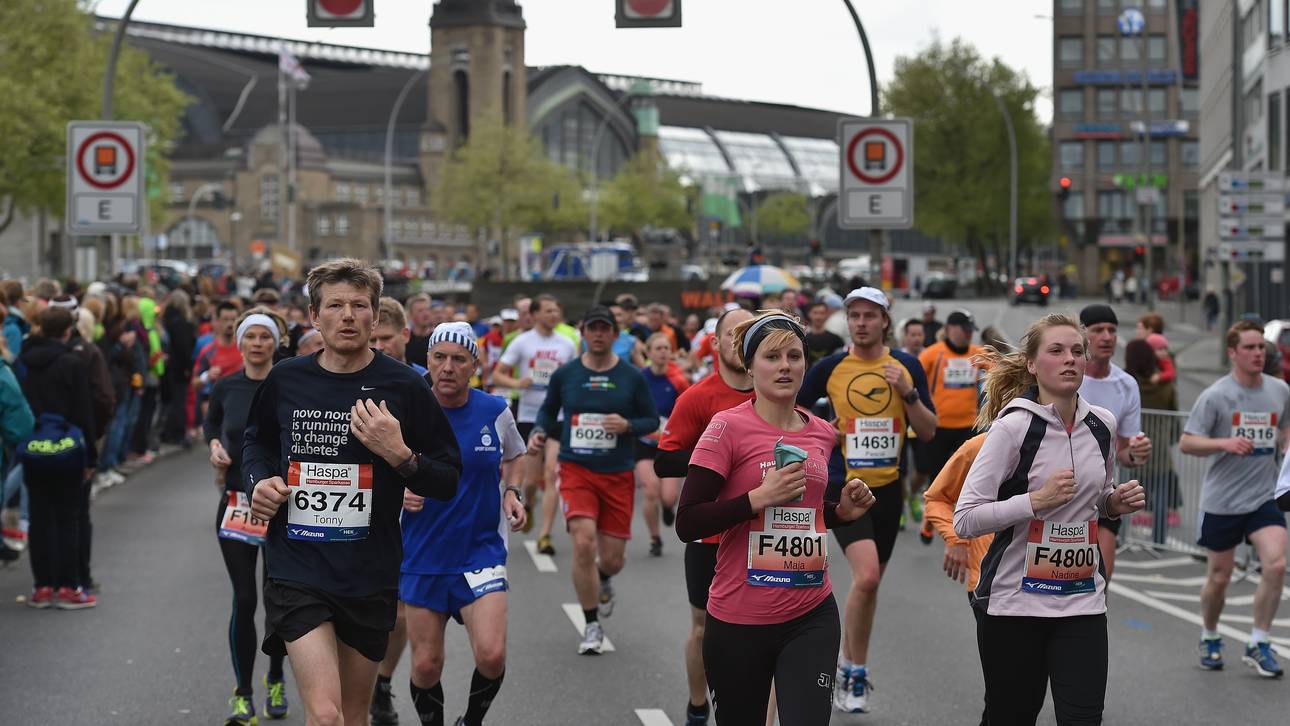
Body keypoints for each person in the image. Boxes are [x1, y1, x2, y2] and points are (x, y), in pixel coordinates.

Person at [242, 258, 462, 726]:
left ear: (375, 315)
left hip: (368, 571)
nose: (347, 315)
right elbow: (256, 441)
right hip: (296, 565)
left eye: (359, 305)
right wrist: (258, 481)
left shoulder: (404, 385)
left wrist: (400, 454)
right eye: (335, 305)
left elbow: (446, 477)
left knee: (354, 714)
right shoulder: (288, 379)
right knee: (325, 714)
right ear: (313, 317)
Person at [676, 311, 875, 725]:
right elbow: (689, 521)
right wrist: (756, 498)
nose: (785, 366)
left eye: (794, 355)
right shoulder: (726, 428)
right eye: (771, 357)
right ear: (749, 366)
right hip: (738, 619)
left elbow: (803, 516)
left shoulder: (821, 431)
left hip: (811, 612)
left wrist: (841, 512)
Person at [954, 313, 1147, 725]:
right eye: (1056, 351)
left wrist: (1115, 503)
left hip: (1082, 599)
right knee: (1011, 716)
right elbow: (966, 519)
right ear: (1031, 363)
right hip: (1014, 605)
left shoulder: (1102, 425)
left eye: (1077, 351)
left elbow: (1096, 499)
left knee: (1083, 718)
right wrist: (1034, 501)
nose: (1070, 360)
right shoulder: (1013, 427)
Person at [796, 288, 937, 714]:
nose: (861, 323)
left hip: (888, 489)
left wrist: (908, 393)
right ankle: (853, 672)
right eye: (854, 315)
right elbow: (789, 414)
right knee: (869, 577)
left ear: (884, 321)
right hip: (844, 485)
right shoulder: (830, 366)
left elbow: (928, 430)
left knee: (869, 587)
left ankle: (849, 664)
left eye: (869, 316)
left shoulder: (906, 365)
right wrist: (823, 430)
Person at [396, 322, 527, 726]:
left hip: (480, 551)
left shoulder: (494, 411)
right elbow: (375, 468)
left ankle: (471, 721)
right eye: (439, 358)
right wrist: (398, 491)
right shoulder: (406, 412)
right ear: (428, 361)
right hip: (422, 554)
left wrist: (512, 492)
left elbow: (515, 455)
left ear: (474, 364)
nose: (448, 367)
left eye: (458, 359)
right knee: (426, 665)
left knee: (491, 654)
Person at [529, 306, 659, 654]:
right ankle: (591, 625)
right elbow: (547, 409)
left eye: (605, 329)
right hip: (576, 469)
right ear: (583, 333)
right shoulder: (566, 374)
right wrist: (541, 430)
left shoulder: (632, 377)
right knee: (583, 542)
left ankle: (603, 579)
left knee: (613, 559)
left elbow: (650, 421)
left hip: (617, 473)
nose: (599, 334)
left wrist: (628, 425)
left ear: (615, 335)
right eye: (593, 328)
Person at [654, 307, 754, 725]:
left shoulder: (773, 394)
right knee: (704, 628)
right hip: (709, 536)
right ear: (715, 343)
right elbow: (663, 462)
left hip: (759, 532)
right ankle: (698, 706)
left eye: (748, 334)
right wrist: (717, 463)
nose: (739, 342)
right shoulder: (697, 398)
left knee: (759, 633)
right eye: (732, 334)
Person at [1179, 320, 1290, 678]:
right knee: (1219, 577)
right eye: (1250, 348)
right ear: (1232, 353)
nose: (1259, 353)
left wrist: (1286, 445)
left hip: (1264, 496)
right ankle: (1210, 635)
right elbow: (1187, 442)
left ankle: (1259, 641)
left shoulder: (1279, 390)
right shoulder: (1215, 395)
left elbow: (1285, 428)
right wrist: (1224, 443)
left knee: (1275, 565)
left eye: (1262, 348)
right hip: (1222, 500)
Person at [206, 307, 290, 725]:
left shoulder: (288, 383)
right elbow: (213, 425)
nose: (258, 343)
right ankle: (243, 693)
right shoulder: (225, 387)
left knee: (278, 603)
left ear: (276, 342)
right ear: (239, 342)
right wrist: (214, 449)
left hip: (282, 506)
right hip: (238, 504)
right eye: (250, 336)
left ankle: (276, 678)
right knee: (244, 598)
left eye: (265, 336)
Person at [19, 306, 99, 609]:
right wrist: (91, 457)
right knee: (68, 519)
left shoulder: (24, 362)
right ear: (68, 330)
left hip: (34, 448)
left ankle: (42, 587)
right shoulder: (72, 363)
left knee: (39, 519)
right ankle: (67, 586)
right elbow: (84, 412)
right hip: (68, 449)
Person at [491, 294, 577, 556]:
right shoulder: (522, 342)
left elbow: (576, 376)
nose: (554, 315)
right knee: (531, 479)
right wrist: (518, 384)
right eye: (549, 311)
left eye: (556, 311)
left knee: (553, 474)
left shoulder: (568, 343)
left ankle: (545, 535)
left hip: (559, 416)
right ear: (536, 314)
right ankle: (528, 501)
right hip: (529, 415)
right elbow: (496, 374)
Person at [1076, 305, 1153, 581]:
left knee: (1101, 577)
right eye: (1098, 330)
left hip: (1104, 493)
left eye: (1112, 330)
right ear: (1082, 335)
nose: (1107, 336)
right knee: (1053, 582)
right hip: (1059, 491)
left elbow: (1123, 452)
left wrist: (1136, 453)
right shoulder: (1068, 377)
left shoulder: (1126, 384)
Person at [916, 310, 985, 544]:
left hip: (967, 427)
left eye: (970, 331)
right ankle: (930, 520)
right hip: (938, 427)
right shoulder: (933, 354)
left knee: (965, 478)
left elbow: (1003, 370)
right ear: (950, 328)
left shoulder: (977, 354)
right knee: (937, 479)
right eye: (964, 329)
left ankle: (960, 520)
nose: (967, 335)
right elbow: (914, 377)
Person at [636, 333, 690, 557]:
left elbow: (689, 410)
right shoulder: (639, 378)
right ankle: (655, 537)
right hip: (643, 443)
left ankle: (667, 507)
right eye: (658, 348)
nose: (662, 352)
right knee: (650, 491)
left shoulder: (678, 380)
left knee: (668, 497)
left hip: (669, 443)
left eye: (667, 348)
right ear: (648, 352)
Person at [804, 301, 845, 368]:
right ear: (809, 314)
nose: (818, 317)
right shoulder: (803, 340)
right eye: (815, 313)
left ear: (827, 314)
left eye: (822, 313)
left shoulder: (836, 340)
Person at [404, 293, 434, 369]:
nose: (426, 314)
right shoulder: (405, 340)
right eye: (420, 311)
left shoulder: (436, 339)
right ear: (410, 315)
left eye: (427, 309)